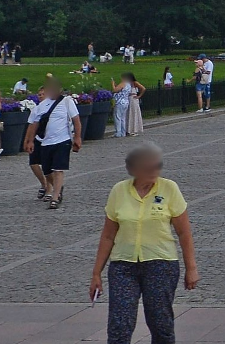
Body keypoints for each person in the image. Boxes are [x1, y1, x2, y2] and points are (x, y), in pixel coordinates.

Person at [90, 142, 199, 344]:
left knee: (160, 323)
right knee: (119, 325)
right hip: (123, 266)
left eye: (157, 166)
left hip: (161, 264)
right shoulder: (119, 191)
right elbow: (108, 236)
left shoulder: (169, 188)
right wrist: (96, 273)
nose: (154, 171)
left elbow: (184, 232)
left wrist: (191, 268)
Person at [24, 78, 82, 209]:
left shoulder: (67, 102)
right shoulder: (42, 106)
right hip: (45, 142)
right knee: (47, 170)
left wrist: (77, 138)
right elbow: (34, 124)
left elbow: (76, 120)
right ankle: (58, 187)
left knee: (58, 169)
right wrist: (30, 141)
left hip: (62, 140)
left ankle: (55, 198)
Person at [112, 74, 139, 138]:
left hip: (120, 102)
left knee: (117, 117)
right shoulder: (129, 85)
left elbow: (115, 90)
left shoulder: (123, 83)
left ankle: (118, 132)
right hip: (126, 102)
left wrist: (113, 84)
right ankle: (123, 132)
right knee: (123, 118)